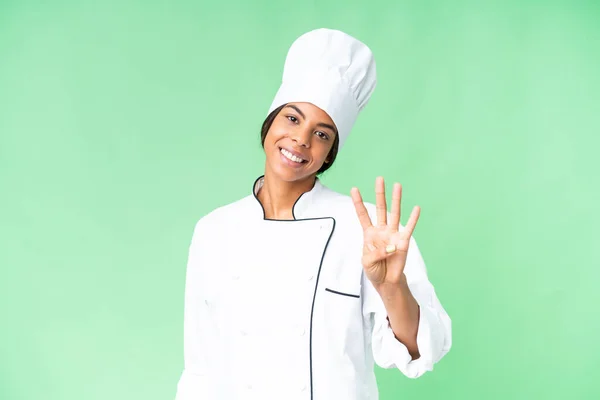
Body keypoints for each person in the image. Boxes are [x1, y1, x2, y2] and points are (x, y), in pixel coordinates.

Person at [174, 28, 452, 400]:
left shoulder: (369, 230)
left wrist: (390, 285)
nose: (301, 140)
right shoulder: (214, 231)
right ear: (270, 123)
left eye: (321, 134)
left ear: (329, 154)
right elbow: (199, 366)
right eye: (292, 119)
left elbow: (421, 351)